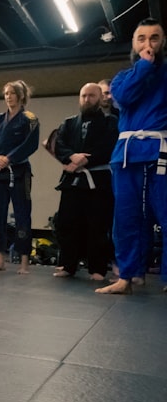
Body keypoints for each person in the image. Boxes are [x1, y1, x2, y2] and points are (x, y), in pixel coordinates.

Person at [96, 18, 167, 295]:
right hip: (126, 155)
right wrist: (144, 66)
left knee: (164, 213)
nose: (148, 44)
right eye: (141, 38)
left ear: (163, 42)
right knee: (126, 217)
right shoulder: (124, 77)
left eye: (154, 38)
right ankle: (127, 275)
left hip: (159, 152)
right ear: (134, 44)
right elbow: (123, 99)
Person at [51, 83, 117, 280]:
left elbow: (109, 145)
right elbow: (59, 144)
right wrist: (72, 156)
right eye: (83, 96)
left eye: (91, 96)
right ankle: (67, 265)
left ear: (100, 98)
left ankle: (97, 269)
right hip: (73, 181)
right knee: (67, 223)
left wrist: (87, 159)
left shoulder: (110, 122)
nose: (87, 99)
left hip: (98, 181)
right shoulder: (69, 123)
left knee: (97, 225)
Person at [0, 80, 40, 274]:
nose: (8, 96)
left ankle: (24, 261)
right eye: (6, 93)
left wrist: (8, 158)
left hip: (19, 171)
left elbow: (30, 144)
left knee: (22, 215)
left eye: (12, 93)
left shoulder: (30, 119)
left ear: (21, 95)